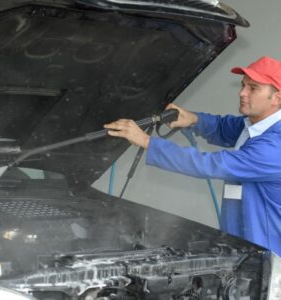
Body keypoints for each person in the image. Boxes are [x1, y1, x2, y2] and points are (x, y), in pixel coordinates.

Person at [104, 56, 281, 256]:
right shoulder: (254, 125)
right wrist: (192, 119)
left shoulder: (275, 146)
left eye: (253, 88)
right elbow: (223, 127)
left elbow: (209, 165)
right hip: (242, 247)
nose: (242, 93)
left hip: (271, 258)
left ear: (277, 98)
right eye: (243, 85)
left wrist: (146, 141)